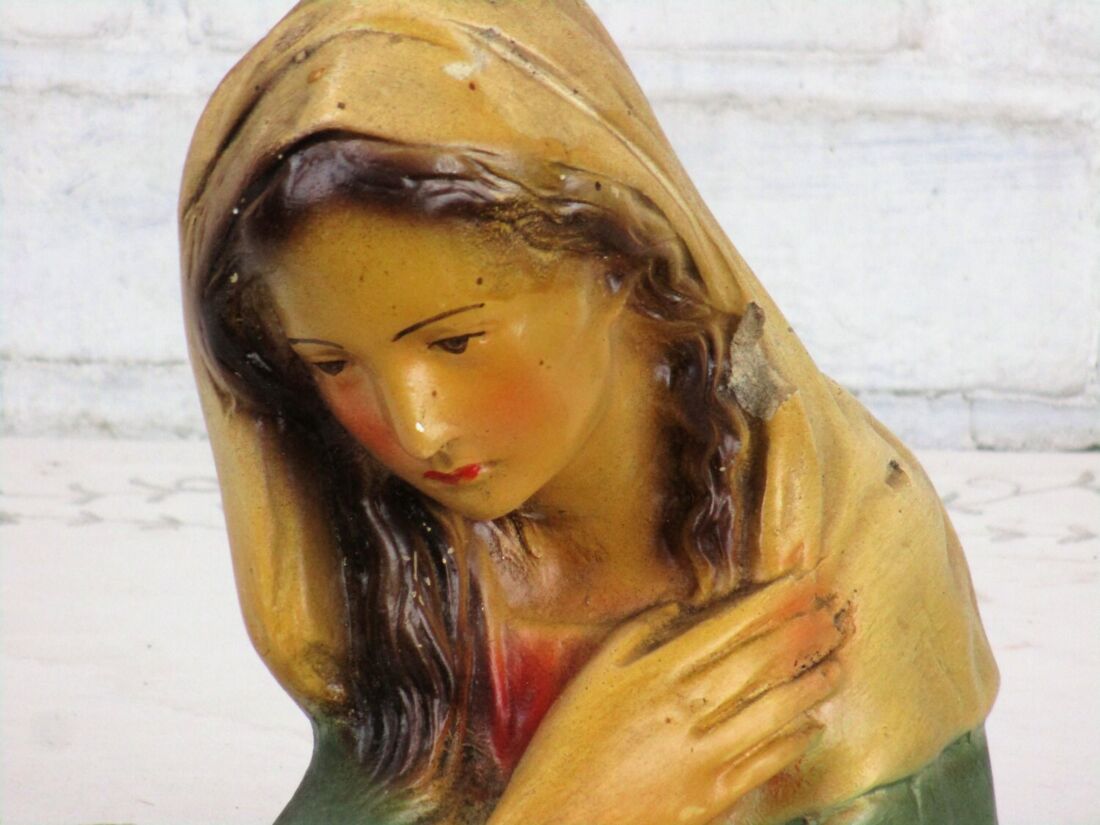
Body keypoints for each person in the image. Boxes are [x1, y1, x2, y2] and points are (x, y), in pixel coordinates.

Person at [179, 2, 999, 823]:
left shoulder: (837, 570)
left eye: (457, 342)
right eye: (332, 364)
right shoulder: (400, 585)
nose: (417, 428)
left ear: (613, 266)